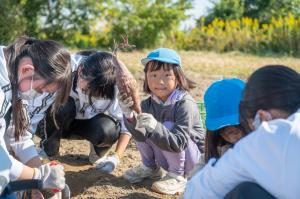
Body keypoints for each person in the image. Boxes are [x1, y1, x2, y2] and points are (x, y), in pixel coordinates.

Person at [184, 65, 300, 199]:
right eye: (224, 132)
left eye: (237, 127)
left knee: (245, 192)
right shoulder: (222, 150)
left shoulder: (266, 139)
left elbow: (198, 191)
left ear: (261, 116)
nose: (232, 135)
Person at [119, 48, 205, 195]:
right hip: (167, 158)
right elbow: (139, 136)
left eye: (167, 75)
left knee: (166, 126)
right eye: (153, 75)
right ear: (146, 77)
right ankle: (150, 168)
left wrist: (155, 126)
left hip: (193, 162)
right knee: (143, 124)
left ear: (178, 77)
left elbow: (180, 143)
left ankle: (177, 177)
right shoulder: (148, 104)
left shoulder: (184, 104)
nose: (160, 81)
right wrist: (129, 116)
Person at [36, 51, 131, 174]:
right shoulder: (62, 70)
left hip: (87, 126)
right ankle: (48, 151)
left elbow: (126, 124)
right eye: (87, 90)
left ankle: (98, 154)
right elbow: (34, 105)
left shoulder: (116, 83)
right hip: (52, 122)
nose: (91, 97)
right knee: (63, 104)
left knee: (109, 129)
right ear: (80, 71)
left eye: (98, 96)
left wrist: (116, 157)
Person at [0, 36, 71, 192]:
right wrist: (37, 176)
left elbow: (18, 137)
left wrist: (38, 176)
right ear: (27, 69)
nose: (39, 96)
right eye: (40, 90)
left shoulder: (14, 80)